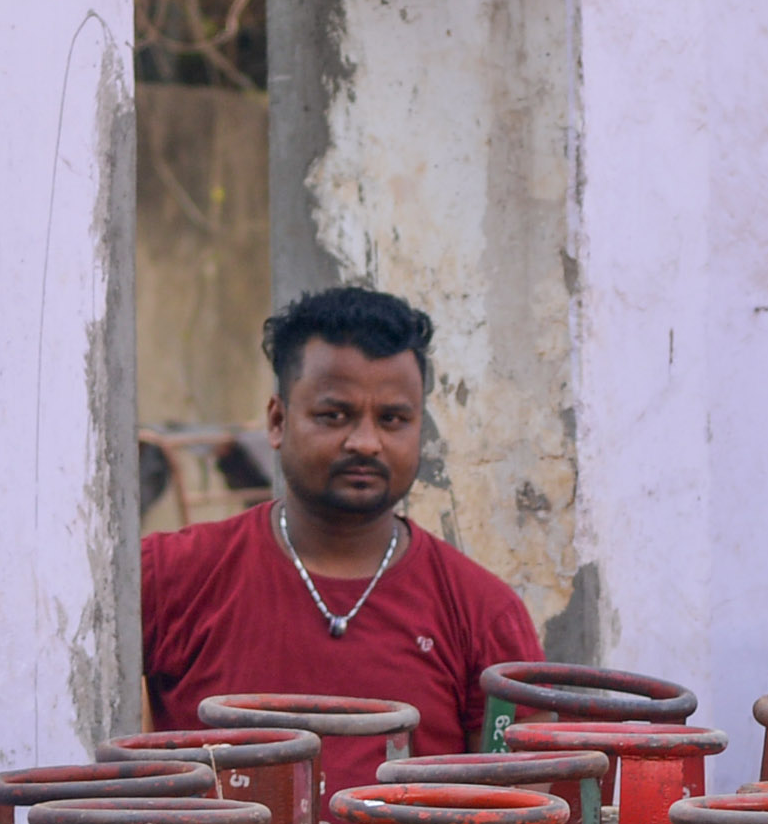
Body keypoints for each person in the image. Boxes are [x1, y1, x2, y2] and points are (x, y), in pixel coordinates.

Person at [141, 284, 544, 795]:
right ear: (277, 420)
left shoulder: (483, 615)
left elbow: (523, 811)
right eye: (335, 415)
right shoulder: (169, 575)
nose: (366, 442)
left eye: (393, 419)